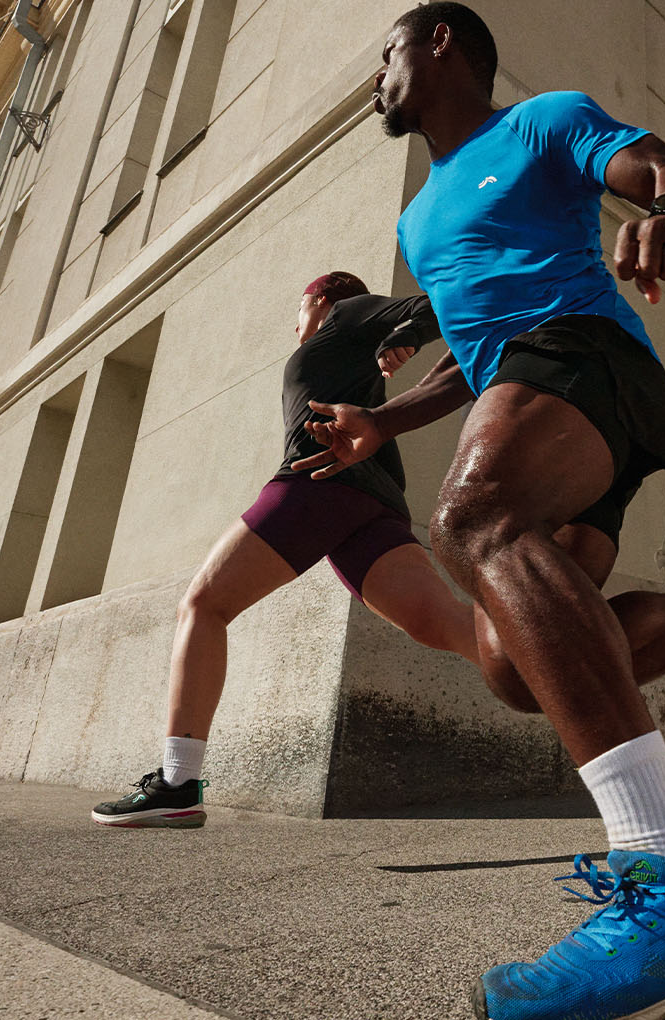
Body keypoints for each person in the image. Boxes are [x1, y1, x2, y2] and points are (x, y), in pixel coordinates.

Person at [291, 5, 665, 1015]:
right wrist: (384, 424)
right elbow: (473, 356)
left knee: (472, 518)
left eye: (387, 50)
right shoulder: (416, 218)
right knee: (521, 663)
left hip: (591, 357)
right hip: (534, 388)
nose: (373, 73)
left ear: (438, 44)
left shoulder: (543, 122)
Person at [90, 272, 480, 829]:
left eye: (298, 308)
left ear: (318, 301)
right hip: (372, 501)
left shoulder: (345, 315)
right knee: (447, 626)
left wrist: (411, 333)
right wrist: (406, 335)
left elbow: (444, 300)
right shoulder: (349, 347)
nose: (295, 322)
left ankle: (177, 782)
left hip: (318, 484)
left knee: (203, 604)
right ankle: (572, 672)